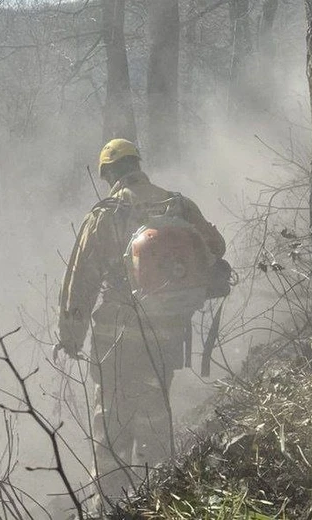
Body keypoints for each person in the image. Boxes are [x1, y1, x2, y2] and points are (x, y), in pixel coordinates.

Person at [55, 138, 225, 508]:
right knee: (153, 410)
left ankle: (111, 506)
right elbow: (217, 246)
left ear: (108, 174)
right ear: (138, 164)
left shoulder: (105, 214)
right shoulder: (178, 204)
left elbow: (80, 279)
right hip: (166, 331)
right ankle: (158, 500)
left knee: (112, 421)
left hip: (114, 333)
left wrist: (70, 337)